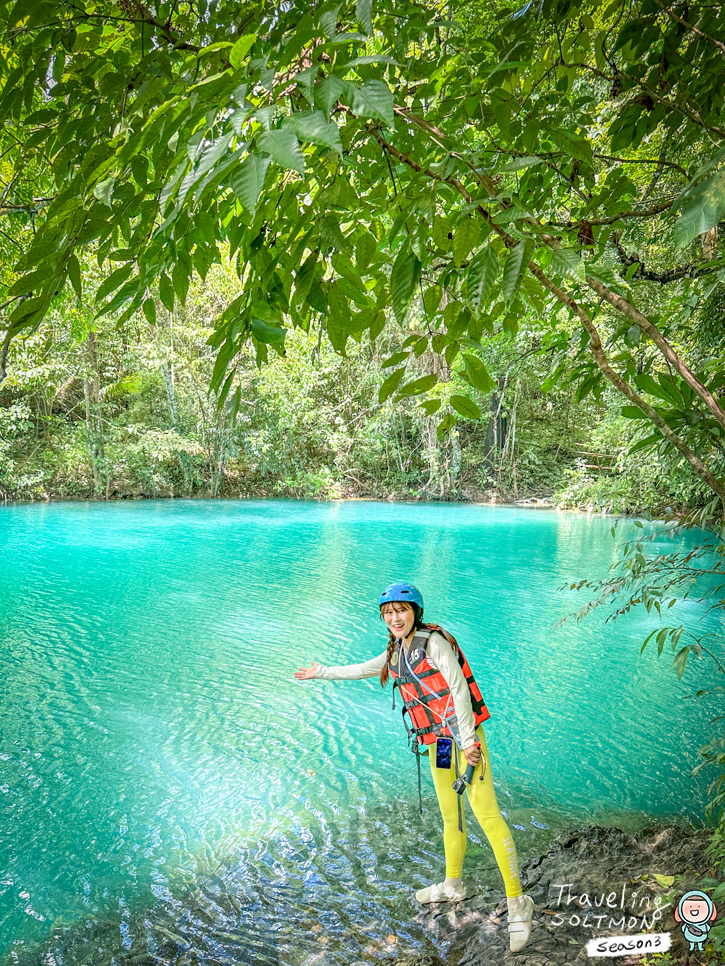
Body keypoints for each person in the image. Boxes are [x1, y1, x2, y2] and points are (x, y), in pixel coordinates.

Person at [294, 581, 535, 953]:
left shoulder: (433, 643)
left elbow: (456, 688)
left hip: (463, 741)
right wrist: (321, 672)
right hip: (438, 744)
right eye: (388, 613)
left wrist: (469, 741)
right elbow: (363, 669)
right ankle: (453, 885)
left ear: (415, 613)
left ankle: (520, 904)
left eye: (401, 611)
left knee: (487, 816)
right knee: (450, 813)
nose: (395, 618)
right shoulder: (396, 652)